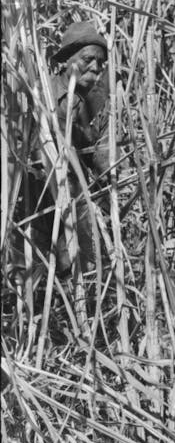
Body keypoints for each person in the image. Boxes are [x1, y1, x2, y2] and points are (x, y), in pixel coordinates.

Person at [28, 20, 110, 277]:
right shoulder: (40, 93)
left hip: (78, 200)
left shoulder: (100, 102)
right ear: (66, 60)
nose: (96, 67)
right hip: (36, 199)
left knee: (86, 271)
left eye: (100, 62)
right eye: (88, 59)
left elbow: (104, 153)